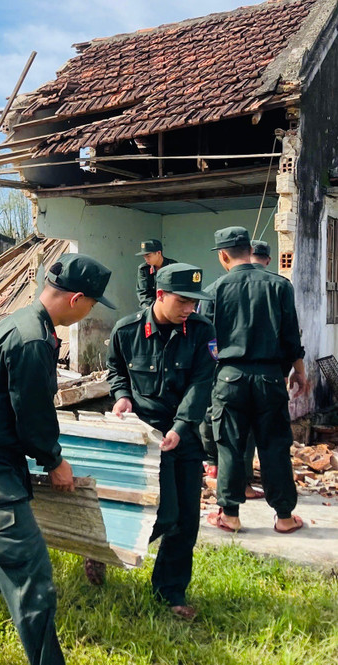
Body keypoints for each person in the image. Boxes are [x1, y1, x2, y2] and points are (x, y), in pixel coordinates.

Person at [0, 253, 115, 665]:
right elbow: (33, 415)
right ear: (76, 299)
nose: (91, 310)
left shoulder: (22, 322)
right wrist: (54, 461)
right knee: (32, 582)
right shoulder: (33, 338)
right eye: (92, 303)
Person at [106, 263, 216, 619]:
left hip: (183, 434)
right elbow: (116, 370)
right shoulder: (127, 330)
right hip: (146, 435)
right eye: (183, 301)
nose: (190, 309)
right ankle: (107, 549)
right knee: (163, 514)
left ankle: (170, 593)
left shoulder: (201, 331)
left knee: (186, 521)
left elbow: (202, 383)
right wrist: (122, 395)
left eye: (194, 302)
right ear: (160, 295)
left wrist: (182, 426)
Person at [199, 226, 308, 534]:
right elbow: (291, 336)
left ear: (223, 255)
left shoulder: (214, 291)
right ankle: (285, 517)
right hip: (271, 378)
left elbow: (207, 344)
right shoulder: (279, 286)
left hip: (229, 378)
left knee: (230, 446)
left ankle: (230, 516)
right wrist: (297, 371)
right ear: (250, 250)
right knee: (274, 446)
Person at [136, 239, 176, 307]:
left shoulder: (173, 267)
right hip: (151, 307)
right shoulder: (143, 269)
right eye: (144, 256)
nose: (146, 259)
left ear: (159, 253)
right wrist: (149, 308)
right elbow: (143, 293)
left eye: (148, 256)